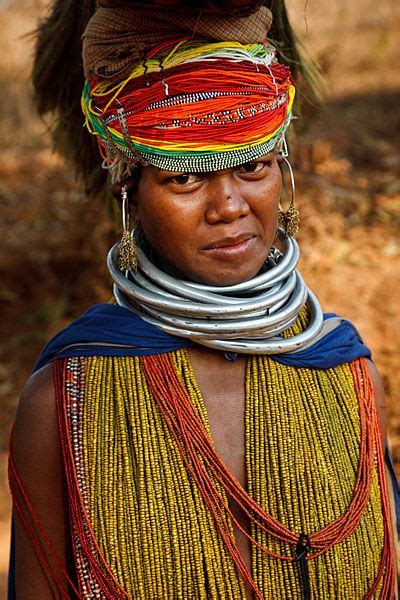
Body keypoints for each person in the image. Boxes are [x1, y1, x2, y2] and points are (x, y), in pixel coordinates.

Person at [8, 0, 399, 598]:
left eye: (255, 166)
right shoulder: (65, 401)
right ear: (130, 193)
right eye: (185, 177)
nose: (230, 206)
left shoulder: (348, 375)